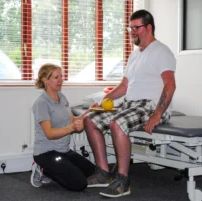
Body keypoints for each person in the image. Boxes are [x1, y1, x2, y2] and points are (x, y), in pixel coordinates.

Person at [83, 9, 176, 198]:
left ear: (149, 27)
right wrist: (102, 101)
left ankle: (122, 180)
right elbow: (124, 86)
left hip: (151, 105)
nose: (132, 31)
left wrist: (157, 114)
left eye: (136, 28)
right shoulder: (135, 55)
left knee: (117, 123)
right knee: (90, 119)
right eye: (130, 28)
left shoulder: (161, 51)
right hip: (132, 105)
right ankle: (103, 172)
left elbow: (170, 85)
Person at [31, 63, 95, 191]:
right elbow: (49, 134)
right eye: (56, 77)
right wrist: (72, 128)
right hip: (46, 152)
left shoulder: (62, 97)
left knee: (91, 170)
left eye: (61, 76)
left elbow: (72, 120)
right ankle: (43, 169)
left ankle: (55, 168)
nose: (61, 80)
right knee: (79, 184)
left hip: (63, 151)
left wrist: (90, 111)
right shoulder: (41, 103)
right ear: (45, 80)